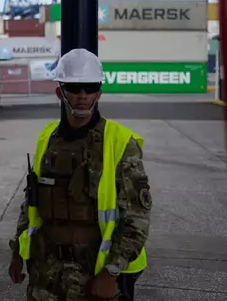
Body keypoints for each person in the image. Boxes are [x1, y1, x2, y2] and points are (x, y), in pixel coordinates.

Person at [8, 48, 151, 301]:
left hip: (93, 271)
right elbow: (31, 202)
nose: (82, 96)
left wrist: (111, 273)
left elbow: (136, 218)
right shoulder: (48, 137)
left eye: (90, 87)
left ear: (99, 92)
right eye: (74, 88)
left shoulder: (119, 142)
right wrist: (18, 251)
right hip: (46, 271)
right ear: (60, 93)